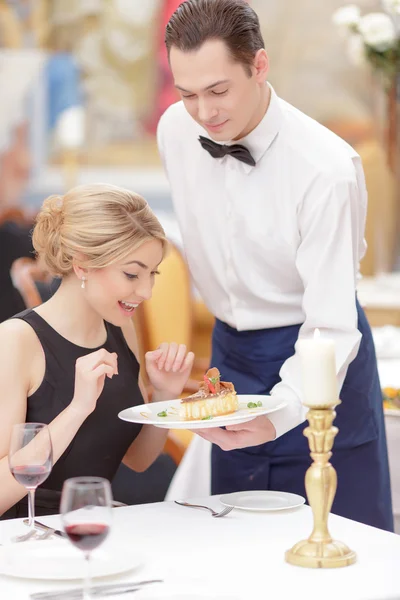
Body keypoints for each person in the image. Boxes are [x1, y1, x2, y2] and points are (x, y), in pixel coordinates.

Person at [157, 0, 393, 530]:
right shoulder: (176, 130)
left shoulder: (326, 169)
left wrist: (285, 410)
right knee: (233, 546)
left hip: (318, 362)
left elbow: (332, 323)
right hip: (230, 361)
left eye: (219, 91)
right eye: (187, 93)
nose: (204, 112)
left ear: (259, 67)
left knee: (335, 548)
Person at [0, 183, 194, 518]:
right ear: (82, 263)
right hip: (27, 536)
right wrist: (78, 408)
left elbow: (138, 459)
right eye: (132, 274)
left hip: (96, 526)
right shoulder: (16, 341)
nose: (146, 292)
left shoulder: (119, 328)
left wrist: (164, 394)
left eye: (152, 274)